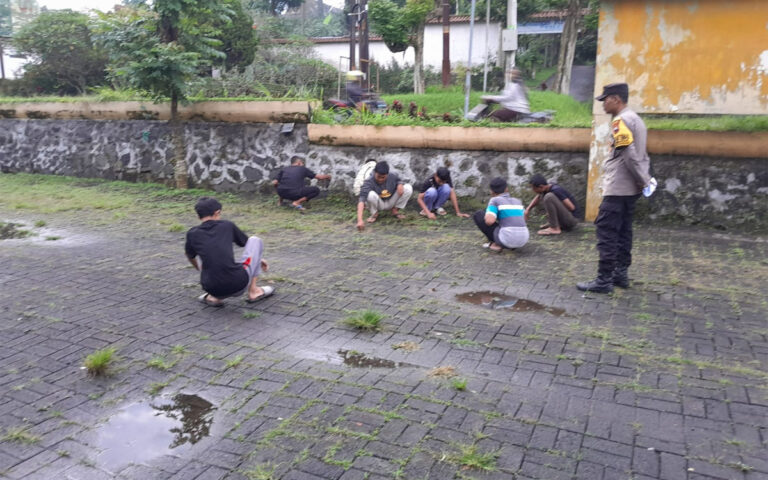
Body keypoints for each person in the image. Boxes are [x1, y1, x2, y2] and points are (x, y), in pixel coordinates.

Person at [577, 83, 652, 294]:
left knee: (607, 231)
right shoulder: (636, 119)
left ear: (616, 99)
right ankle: (620, 274)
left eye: (605, 99)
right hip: (631, 189)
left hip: (618, 187)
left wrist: (643, 179)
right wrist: (642, 181)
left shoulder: (621, 121)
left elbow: (628, 154)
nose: (603, 104)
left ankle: (604, 280)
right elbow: (640, 155)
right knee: (623, 231)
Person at [185, 197, 274, 307]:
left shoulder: (192, 233)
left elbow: (190, 256)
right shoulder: (227, 225)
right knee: (255, 240)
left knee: (202, 254)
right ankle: (254, 291)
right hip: (238, 284)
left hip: (211, 287)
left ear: (198, 216)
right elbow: (247, 243)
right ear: (217, 213)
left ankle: (213, 297)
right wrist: (259, 260)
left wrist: (200, 269)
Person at [473, 177, 529, 252]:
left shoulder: (495, 200)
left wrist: (489, 213)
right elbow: (524, 218)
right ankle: (511, 244)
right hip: (523, 239)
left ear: (492, 191)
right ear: (506, 189)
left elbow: (489, 221)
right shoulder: (517, 201)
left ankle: (496, 244)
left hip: (507, 239)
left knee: (479, 215)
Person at [356, 161, 413, 231]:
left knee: (408, 188)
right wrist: (360, 220)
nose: (380, 179)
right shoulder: (368, 181)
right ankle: (374, 214)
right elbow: (361, 200)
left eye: (383, 177)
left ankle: (395, 211)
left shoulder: (392, 175)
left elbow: (399, 180)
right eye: (378, 177)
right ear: (375, 172)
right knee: (370, 195)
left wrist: (400, 184)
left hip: (391, 201)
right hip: (378, 203)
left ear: (387, 174)